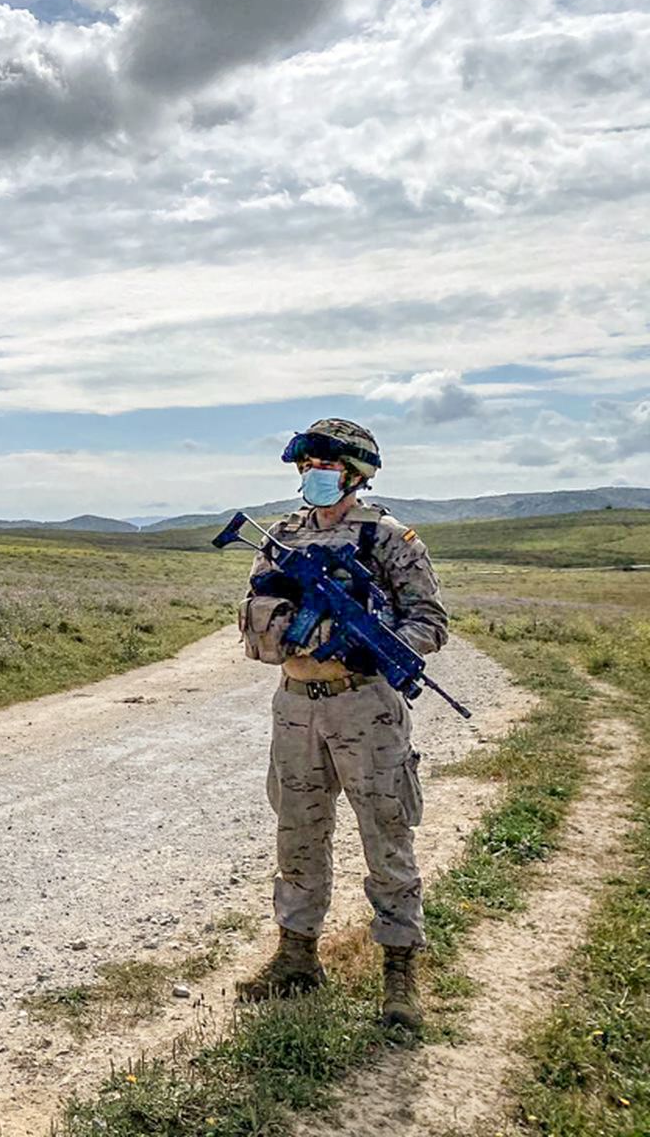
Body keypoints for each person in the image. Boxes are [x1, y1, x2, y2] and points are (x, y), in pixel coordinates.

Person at [234, 418, 449, 1031]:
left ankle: (399, 971)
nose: (312, 477)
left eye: (324, 468)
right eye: (305, 468)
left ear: (355, 474)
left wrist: (372, 648)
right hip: (296, 704)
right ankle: (296, 956)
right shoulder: (282, 537)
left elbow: (430, 622)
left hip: (365, 707)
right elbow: (256, 611)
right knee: (297, 832)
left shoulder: (389, 539)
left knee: (386, 832)